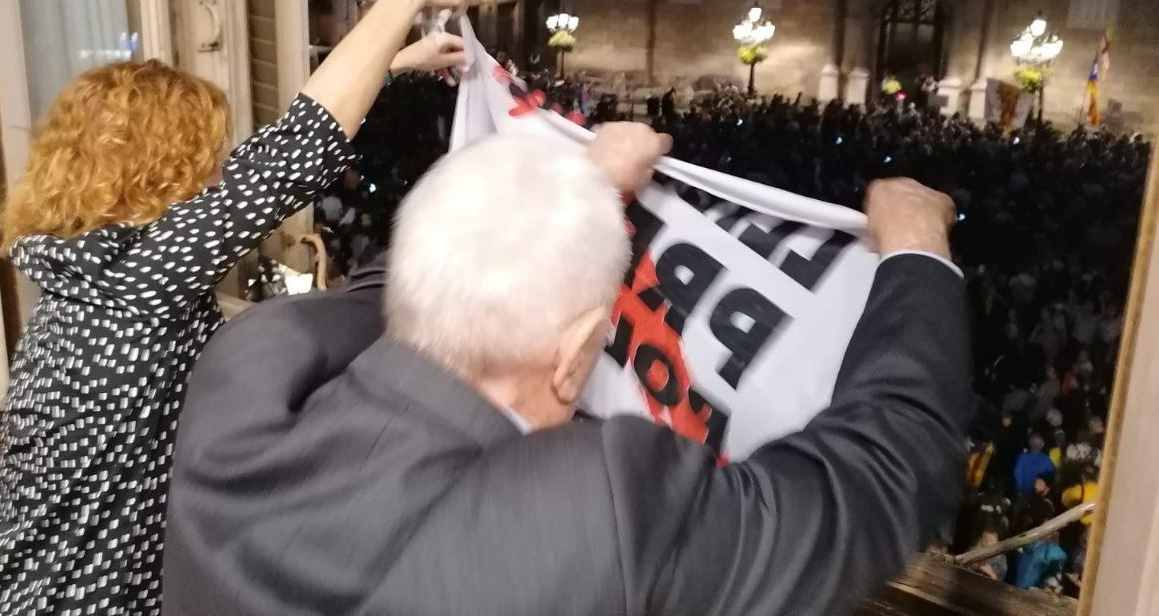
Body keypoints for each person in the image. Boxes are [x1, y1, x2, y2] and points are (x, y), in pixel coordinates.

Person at [162, 125, 971, 616]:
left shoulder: (247, 370)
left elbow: (385, 285)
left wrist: (575, 185)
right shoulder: (598, 507)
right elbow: (879, 476)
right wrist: (918, 253)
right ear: (579, 350)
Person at [0, 0, 469, 616]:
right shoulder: (144, 280)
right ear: (163, 165)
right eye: (205, 155)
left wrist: (397, 63)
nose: (218, 170)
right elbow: (294, 152)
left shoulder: (86, 268)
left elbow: (266, 161)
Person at [1013, 432, 1056, 497]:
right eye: (1035, 443)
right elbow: (1017, 476)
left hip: (1037, 494)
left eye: (1038, 443)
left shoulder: (1046, 459)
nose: (1036, 445)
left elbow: (1051, 476)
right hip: (1028, 494)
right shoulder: (1023, 458)